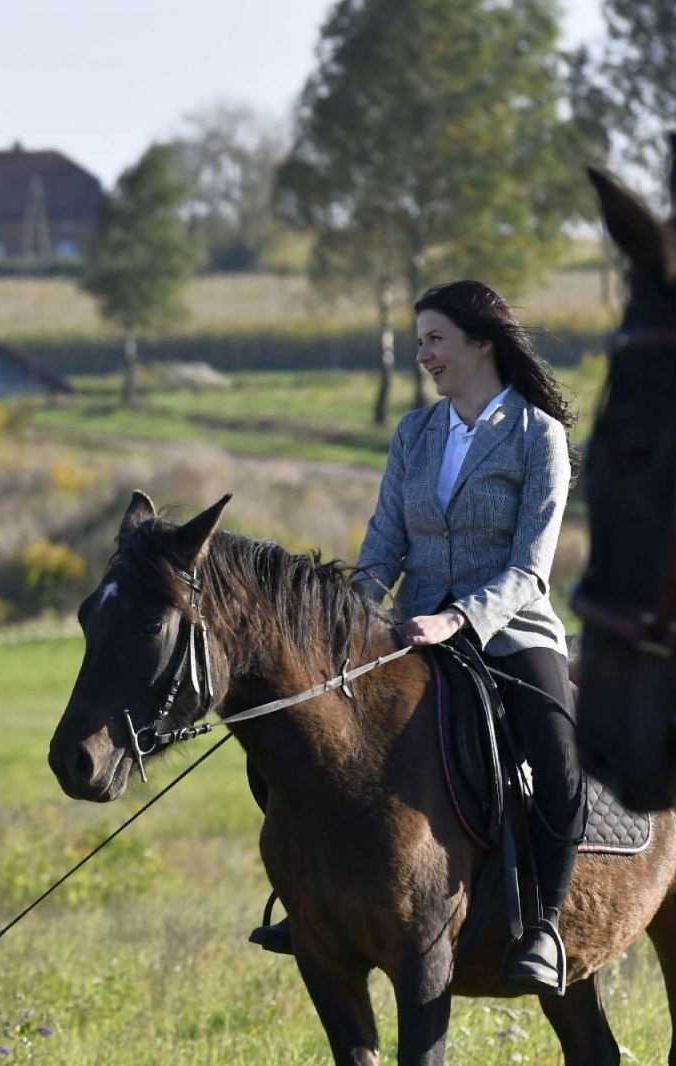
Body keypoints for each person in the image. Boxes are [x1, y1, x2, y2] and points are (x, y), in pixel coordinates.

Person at [251, 280, 581, 995]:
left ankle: (544, 927)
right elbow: (381, 551)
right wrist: (339, 628)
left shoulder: (539, 437)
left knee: (556, 761)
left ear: (480, 343)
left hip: (509, 632)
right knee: (293, 730)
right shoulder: (414, 434)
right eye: (420, 339)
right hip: (407, 629)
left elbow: (531, 569)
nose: (423, 353)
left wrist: (458, 618)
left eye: (435, 338)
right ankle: (313, 899)